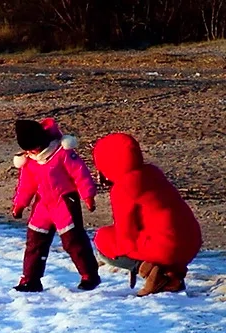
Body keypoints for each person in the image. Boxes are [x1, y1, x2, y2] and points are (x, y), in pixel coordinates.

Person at [92, 132, 202, 296]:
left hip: (167, 247)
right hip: (192, 241)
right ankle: (172, 275)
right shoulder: (152, 172)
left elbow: (125, 237)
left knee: (103, 239)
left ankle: (153, 274)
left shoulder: (123, 187)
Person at [11, 118, 100, 292]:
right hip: (43, 203)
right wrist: (19, 205)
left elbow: (80, 174)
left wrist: (88, 196)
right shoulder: (29, 161)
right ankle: (31, 279)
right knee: (34, 241)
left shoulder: (62, 153)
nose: (32, 151)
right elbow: (26, 185)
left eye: (34, 146)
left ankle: (89, 275)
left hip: (65, 200)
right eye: (28, 149)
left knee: (73, 240)